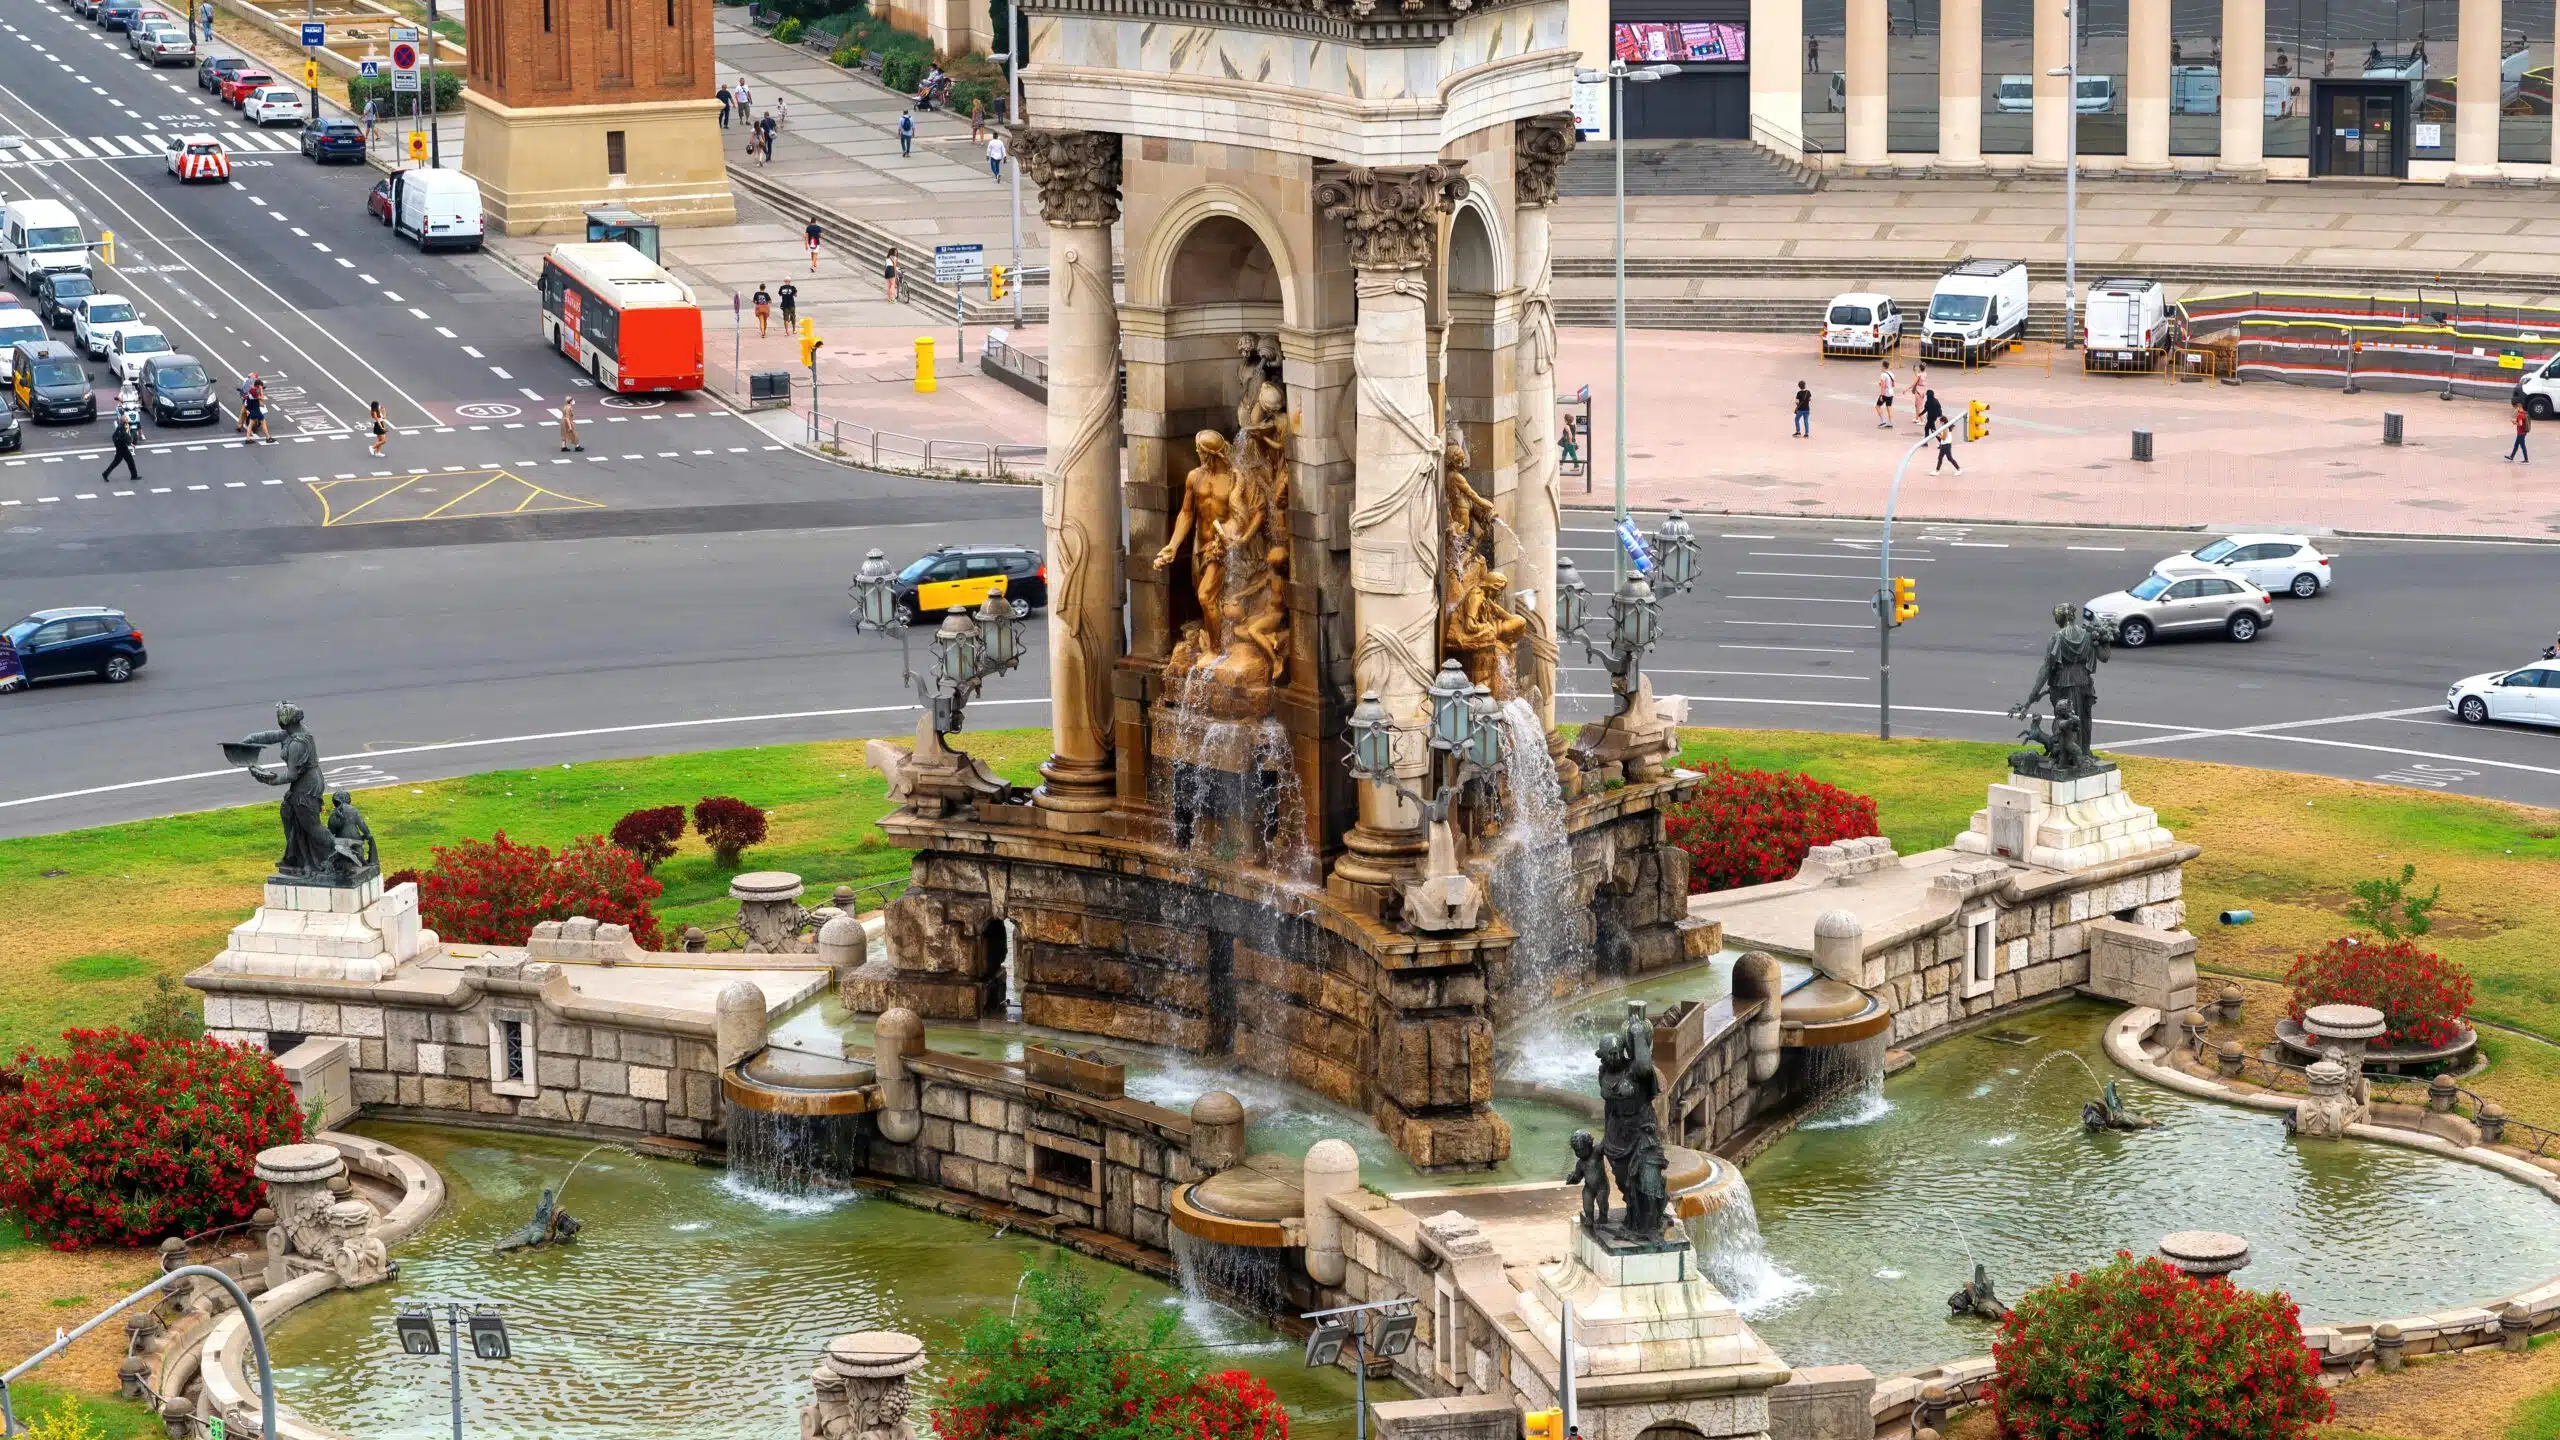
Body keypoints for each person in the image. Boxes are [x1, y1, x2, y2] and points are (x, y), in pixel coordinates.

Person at [1922, 388, 1960, 472]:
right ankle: (1937, 471)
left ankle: (1958, 469)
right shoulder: (1945, 426)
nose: (1938, 422)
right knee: (1940, 458)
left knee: (1949, 458)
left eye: (1940, 421)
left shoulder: (1945, 428)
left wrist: (1937, 434)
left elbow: (1943, 437)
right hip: (1943, 445)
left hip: (1946, 445)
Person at [102, 412, 140, 484]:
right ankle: (134, 476)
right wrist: (131, 444)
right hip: (122, 446)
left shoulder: (121, 426)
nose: (128, 418)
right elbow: (125, 436)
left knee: (117, 462)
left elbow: (114, 436)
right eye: (126, 418)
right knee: (130, 461)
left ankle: (105, 474)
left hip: (120, 446)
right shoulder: (123, 427)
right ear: (124, 420)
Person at [1875, 359, 1896, 428]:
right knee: (1889, 408)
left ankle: (1882, 421)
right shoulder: (1891, 374)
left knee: (1877, 406)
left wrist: (1881, 395)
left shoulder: (1883, 375)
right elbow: (1893, 385)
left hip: (1885, 393)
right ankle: (1890, 423)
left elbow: (1883, 386)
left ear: (1883, 366)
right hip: (1891, 393)